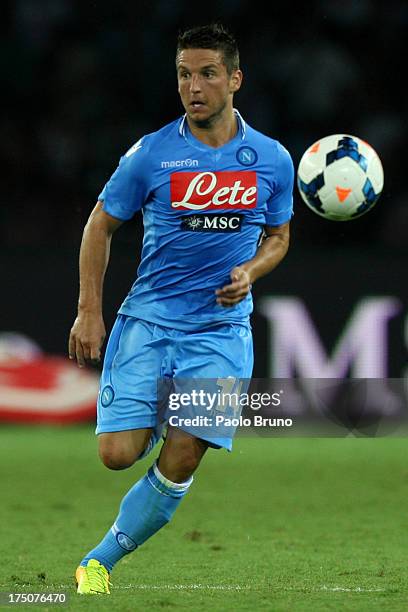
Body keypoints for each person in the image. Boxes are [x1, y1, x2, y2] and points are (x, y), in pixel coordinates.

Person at [69, 23, 294, 595]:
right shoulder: (151, 155)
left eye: (207, 74)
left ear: (234, 79)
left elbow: (279, 237)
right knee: (117, 454)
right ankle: (150, 419)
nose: (194, 87)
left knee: (187, 454)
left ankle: (98, 562)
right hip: (149, 320)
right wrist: (88, 311)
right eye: (184, 75)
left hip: (219, 330)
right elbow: (101, 225)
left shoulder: (270, 158)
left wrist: (251, 271)